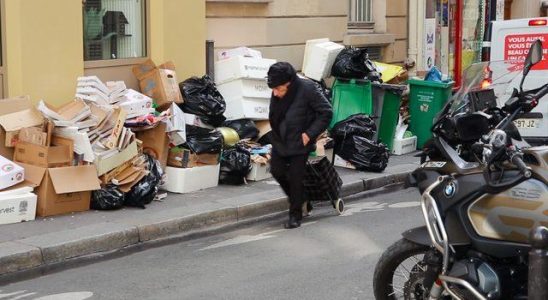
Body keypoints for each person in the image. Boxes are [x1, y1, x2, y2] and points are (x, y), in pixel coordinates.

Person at [266, 62, 333, 229]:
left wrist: (309, 134)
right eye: (273, 89)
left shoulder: (307, 88)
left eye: (279, 89)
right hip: (280, 140)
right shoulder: (277, 90)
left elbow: (326, 112)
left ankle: (295, 215)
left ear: (289, 83)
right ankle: (302, 198)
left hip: (300, 141)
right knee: (277, 171)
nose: (275, 93)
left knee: (296, 178)